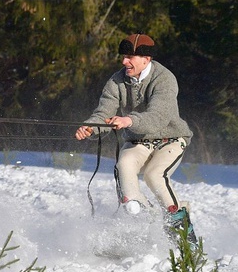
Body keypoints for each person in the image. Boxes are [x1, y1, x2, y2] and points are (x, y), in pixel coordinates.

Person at [75, 33, 197, 247]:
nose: (124, 62)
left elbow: (158, 116)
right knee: (124, 171)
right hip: (138, 142)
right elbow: (103, 113)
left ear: (146, 59)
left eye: (130, 57)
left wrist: (128, 120)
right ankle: (145, 225)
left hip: (171, 139)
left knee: (154, 175)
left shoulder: (165, 79)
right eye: (123, 56)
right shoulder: (116, 81)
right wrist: (90, 128)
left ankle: (182, 231)